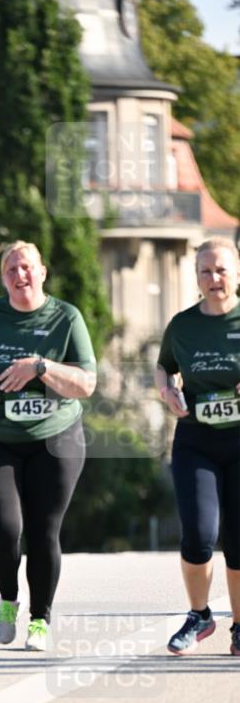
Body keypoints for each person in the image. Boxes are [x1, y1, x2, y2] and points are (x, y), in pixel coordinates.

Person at [0, 240, 97, 650]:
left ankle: (40, 620)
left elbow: (86, 383)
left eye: (27, 267)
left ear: (42, 272)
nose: (20, 275)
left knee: (42, 530)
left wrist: (41, 367)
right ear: (3, 278)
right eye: (11, 269)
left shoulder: (66, 317)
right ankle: (9, 598)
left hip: (56, 439)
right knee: (1, 531)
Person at [155, 236, 240, 656]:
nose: (214, 278)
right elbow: (163, 368)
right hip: (196, 440)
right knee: (199, 534)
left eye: (222, 269)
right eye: (205, 271)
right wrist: (167, 392)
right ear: (196, 278)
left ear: (237, 274)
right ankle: (199, 614)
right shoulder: (183, 325)